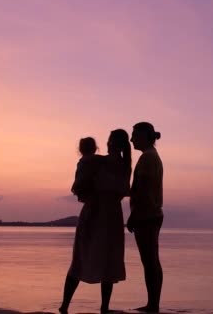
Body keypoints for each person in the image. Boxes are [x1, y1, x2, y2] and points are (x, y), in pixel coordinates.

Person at [60, 129, 132, 314]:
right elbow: (124, 190)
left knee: (80, 259)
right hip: (113, 216)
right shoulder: (124, 166)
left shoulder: (96, 161)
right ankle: (104, 308)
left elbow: (78, 187)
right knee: (109, 260)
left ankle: (65, 306)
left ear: (109, 143)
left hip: (95, 212)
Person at [127, 122, 164, 313]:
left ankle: (152, 305)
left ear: (143, 135)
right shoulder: (151, 157)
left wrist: (133, 216)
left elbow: (143, 189)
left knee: (149, 262)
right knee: (152, 261)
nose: (132, 139)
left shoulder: (147, 158)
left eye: (134, 135)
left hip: (146, 216)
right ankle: (153, 304)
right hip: (151, 214)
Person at [71, 137, 98, 203]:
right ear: (95, 148)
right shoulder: (99, 160)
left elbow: (80, 180)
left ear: (80, 150)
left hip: (91, 195)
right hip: (96, 194)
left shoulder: (83, 163)